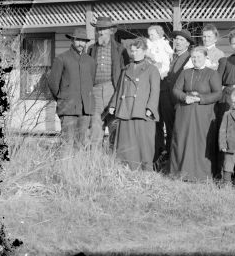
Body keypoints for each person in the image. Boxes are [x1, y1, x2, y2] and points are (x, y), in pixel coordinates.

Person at [169, 46, 223, 180]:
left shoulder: (212, 73)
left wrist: (201, 99)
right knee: (182, 139)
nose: (196, 59)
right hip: (185, 113)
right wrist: (184, 97)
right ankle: (180, 173)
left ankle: (201, 175)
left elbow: (218, 94)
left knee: (201, 142)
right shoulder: (185, 73)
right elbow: (176, 89)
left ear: (205, 57)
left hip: (203, 113)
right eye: (193, 57)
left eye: (199, 57)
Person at [108, 37, 160, 171]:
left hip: (141, 110)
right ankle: (125, 167)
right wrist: (113, 105)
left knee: (143, 141)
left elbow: (155, 91)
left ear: (144, 51)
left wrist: (150, 108)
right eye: (132, 51)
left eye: (137, 51)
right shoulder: (126, 69)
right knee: (126, 139)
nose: (134, 53)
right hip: (126, 109)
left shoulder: (151, 69)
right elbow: (119, 89)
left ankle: (144, 168)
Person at [48, 27, 96, 148]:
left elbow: (92, 82)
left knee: (81, 143)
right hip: (67, 108)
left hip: (85, 109)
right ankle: (66, 167)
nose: (81, 43)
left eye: (83, 41)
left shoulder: (90, 61)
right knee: (67, 143)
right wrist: (62, 98)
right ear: (72, 40)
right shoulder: (61, 58)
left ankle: (78, 167)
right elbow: (53, 83)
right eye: (78, 40)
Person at [87, 16, 129, 150]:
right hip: (95, 90)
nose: (100, 32)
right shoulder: (91, 49)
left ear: (111, 31)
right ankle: (95, 156)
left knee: (113, 121)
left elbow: (126, 70)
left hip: (113, 88)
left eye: (104, 29)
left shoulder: (120, 49)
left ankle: (114, 155)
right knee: (95, 122)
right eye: (99, 29)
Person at [157, 29, 194, 156]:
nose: (177, 42)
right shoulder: (169, 56)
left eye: (181, 40)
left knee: (177, 129)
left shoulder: (188, 58)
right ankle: (167, 155)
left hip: (178, 99)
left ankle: (176, 157)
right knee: (166, 126)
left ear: (187, 44)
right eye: (176, 39)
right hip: (165, 96)